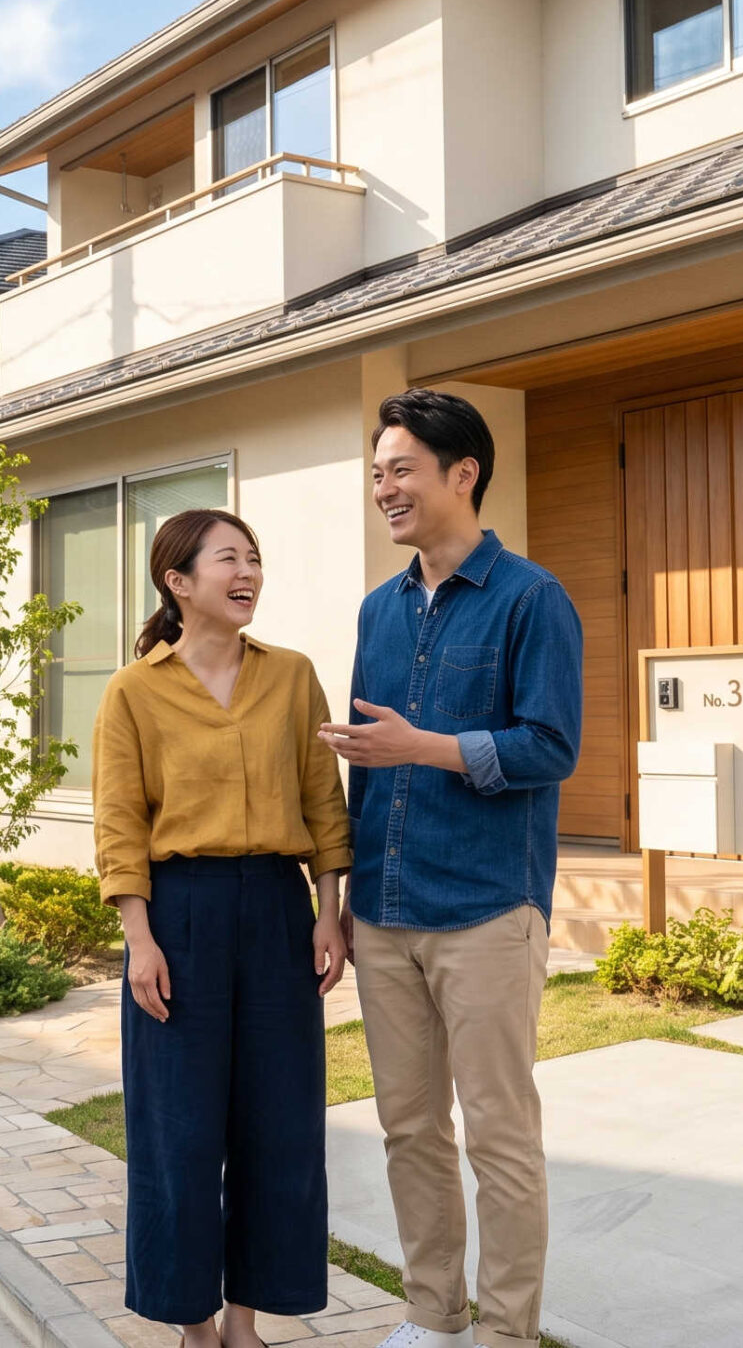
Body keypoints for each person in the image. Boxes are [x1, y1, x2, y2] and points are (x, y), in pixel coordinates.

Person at [318, 390, 582, 1348]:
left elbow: (551, 746)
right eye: (377, 473)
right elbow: (369, 760)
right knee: (410, 1131)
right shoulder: (377, 611)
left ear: (462, 473)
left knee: (501, 1138)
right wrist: (341, 900)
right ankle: (434, 1317)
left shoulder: (531, 598)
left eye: (402, 470)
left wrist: (422, 746)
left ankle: (507, 1333)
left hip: (484, 911)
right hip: (386, 914)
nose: (384, 488)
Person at [91, 508, 353, 1348]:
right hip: (180, 914)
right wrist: (140, 939)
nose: (249, 573)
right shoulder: (134, 691)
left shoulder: (292, 675)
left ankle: (245, 1321)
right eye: (229, 559)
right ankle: (193, 1324)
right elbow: (120, 823)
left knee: (279, 1125)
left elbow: (324, 802)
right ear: (179, 581)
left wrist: (329, 913)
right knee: (180, 1128)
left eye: (255, 559)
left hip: (278, 909)